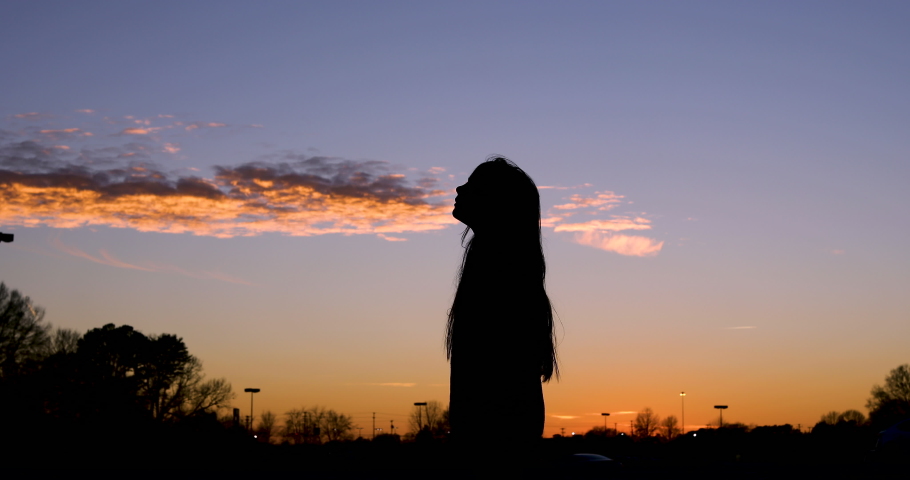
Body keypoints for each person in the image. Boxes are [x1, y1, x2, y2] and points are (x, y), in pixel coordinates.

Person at [446, 156, 559, 470]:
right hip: (499, 437)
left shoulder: (499, 273)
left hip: (495, 443)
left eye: (473, 186)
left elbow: (488, 374)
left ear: (496, 202)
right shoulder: (505, 266)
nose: (459, 188)